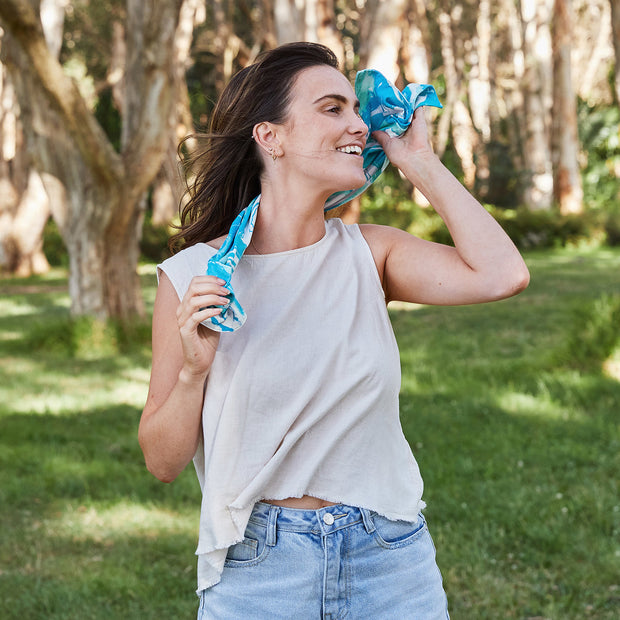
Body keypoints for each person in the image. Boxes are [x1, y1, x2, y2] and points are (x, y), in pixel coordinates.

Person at [138, 42, 529, 619]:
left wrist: (419, 162)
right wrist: (195, 371)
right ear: (269, 136)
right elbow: (162, 463)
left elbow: (504, 274)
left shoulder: (370, 254)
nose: (358, 123)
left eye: (355, 108)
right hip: (260, 570)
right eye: (332, 109)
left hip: (390, 559)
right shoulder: (194, 277)